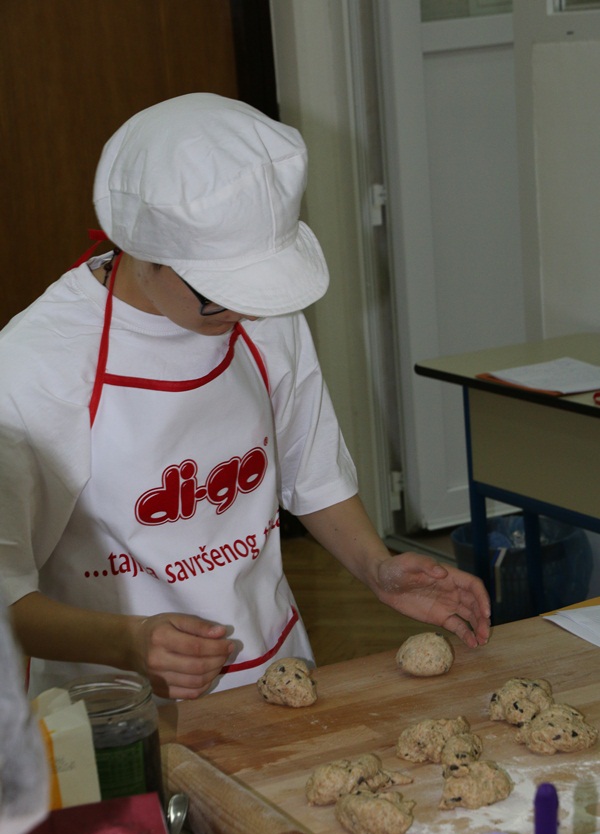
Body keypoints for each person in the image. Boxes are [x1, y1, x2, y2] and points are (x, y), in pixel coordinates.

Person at [0, 93, 490, 701]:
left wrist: (377, 568)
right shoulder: (33, 368)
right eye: (220, 295)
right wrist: (129, 641)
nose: (245, 313)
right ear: (143, 251)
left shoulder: (259, 317)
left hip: (275, 677)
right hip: (110, 709)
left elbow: (312, 474)